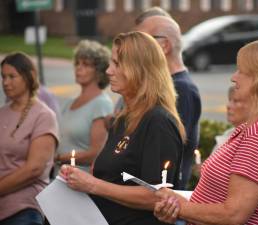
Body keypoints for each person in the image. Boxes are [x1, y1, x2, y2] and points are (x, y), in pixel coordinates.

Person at [154, 37, 258, 225]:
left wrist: (180, 207)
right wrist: (178, 205)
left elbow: (233, 215)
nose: (234, 77)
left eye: (241, 71)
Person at [60, 31, 186, 225]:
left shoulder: (158, 122)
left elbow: (157, 196)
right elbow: (112, 178)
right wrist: (78, 180)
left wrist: (93, 185)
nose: (109, 71)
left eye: (117, 64)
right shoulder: (123, 119)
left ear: (140, 70)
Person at [136, 13, 202, 189]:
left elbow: (168, 149)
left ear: (164, 45)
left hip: (164, 202)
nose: (137, 48)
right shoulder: (170, 86)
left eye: (143, 40)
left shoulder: (182, 90)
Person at [0, 52, 59, 225]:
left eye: (12, 76)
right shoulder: (2, 113)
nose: (5, 82)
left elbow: (34, 169)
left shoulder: (43, 116)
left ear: (29, 76)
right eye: (3, 76)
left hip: (24, 209)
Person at [55, 40, 113, 172]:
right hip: (59, 175)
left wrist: (59, 158)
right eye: (77, 63)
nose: (79, 68)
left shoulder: (101, 104)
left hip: (80, 179)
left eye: (86, 65)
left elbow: (95, 154)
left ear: (99, 71)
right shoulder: (68, 103)